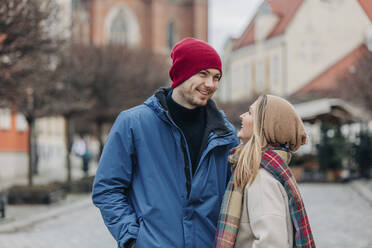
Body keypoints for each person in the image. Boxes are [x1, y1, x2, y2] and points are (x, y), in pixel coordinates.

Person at [92, 37, 240, 248]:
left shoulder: (226, 135)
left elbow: (235, 197)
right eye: (203, 74)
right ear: (182, 73)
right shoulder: (133, 124)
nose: (210, 84)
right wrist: (133, 239)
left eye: (217, 77)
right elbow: (107, 188)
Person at [214, 95, 316, 248]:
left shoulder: (261, 178)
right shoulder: (261, 170)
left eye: (249, 113)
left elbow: (271, 243)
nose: (242, 116)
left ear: (264, 126)